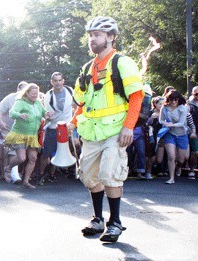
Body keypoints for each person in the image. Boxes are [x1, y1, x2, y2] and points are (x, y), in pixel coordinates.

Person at [71, 17, 144, 243]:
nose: (92, 39)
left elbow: (136, 95)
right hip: (92, 132)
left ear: (111, 37)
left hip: (115, 131)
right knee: (89, 177)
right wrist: (73, 123)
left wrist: (128, 127)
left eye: (98, 34)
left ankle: (115, 222)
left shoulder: (122, 62)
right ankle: (97, 219)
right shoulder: (86, 68)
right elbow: (82, 102)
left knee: (110, 175)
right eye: (91, 35)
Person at [4, 84, 51, 188]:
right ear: (27, 93)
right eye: (33, 94)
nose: (35, 96)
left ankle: (26, 181)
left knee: (33, 158)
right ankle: (8, 168)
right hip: (19, 134)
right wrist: (20, 115)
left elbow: (43, 112)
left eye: (36, 94)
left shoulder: (38, 103)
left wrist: (47, 114)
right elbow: (12, 113)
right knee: (21, 158)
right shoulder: (21, 102)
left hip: (32, 135)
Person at [39, 72, 76, 183]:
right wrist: (48, 116)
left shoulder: (70, 91)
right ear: (52, 82)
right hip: (54, 126)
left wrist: (74, 121)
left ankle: (73, 170)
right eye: (55, 80)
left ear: (63, 81)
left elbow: (76, 106)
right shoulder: (48, 95)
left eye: (60, 80)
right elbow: (47, 114)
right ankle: (41, 175)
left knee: (76, 145)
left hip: (68, 126)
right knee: (48, 153)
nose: (58, 83)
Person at [159, 90, 189, 184]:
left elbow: (181, 122)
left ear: (179, 100)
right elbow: (161, 120)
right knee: (171, 156)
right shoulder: (164, 108)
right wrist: (165, 123)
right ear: (168, 99)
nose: (173, 102)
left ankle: (179, 167)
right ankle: (171, 178)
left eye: (176, 100)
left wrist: (172, 125)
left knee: (181, 159)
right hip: (170, 134)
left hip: (182, 134)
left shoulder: (183, 108)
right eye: (171, 99)